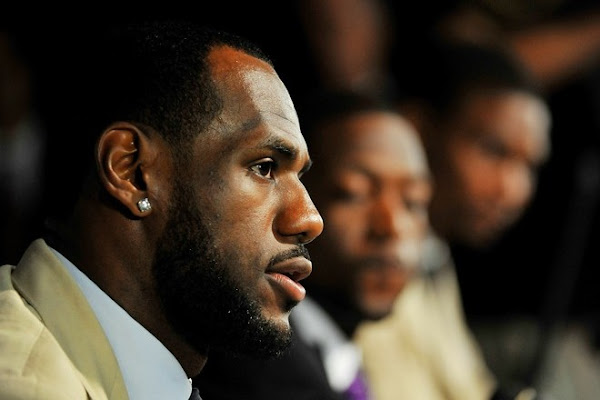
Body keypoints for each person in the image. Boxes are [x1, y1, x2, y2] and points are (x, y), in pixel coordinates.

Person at [0, 20, 323, 400]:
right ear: (132, 171)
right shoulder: (29, 387)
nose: (309, 219)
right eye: (264, 167)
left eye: (300, 176)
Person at [194, 89, 433, 399]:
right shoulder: (266, 371)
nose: (391, 226)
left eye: (413, 201)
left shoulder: (334, 358)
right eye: (354, 193)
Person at [354, 38, 552, 400]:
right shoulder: (363, 267)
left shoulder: (434, 258)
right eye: (493, 150)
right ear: (417, 129)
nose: (512, 190)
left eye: (529, 166)